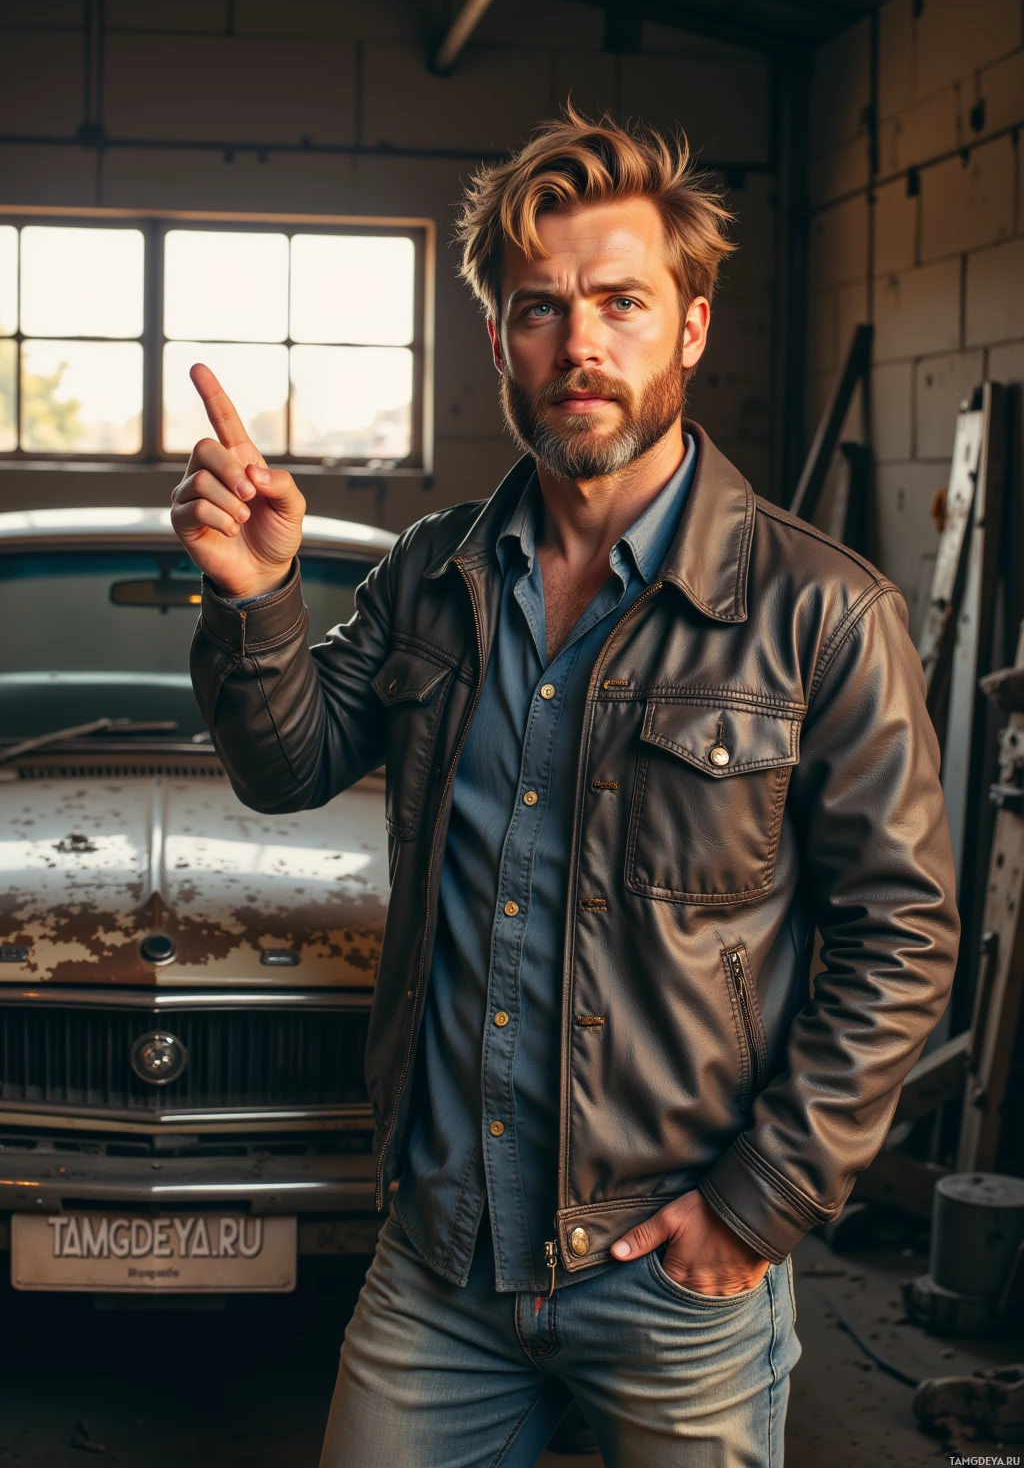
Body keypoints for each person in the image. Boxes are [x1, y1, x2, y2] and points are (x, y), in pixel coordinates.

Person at [171, 110, 959, 1468]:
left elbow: (902, 940)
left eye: (621, 302)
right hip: (439, 1264)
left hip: (674, 1282)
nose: (579, 343)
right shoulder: (433, 575)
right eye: (540, 309)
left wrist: (759, 1204)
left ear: (691, 328)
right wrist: (262, 599)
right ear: (499, 342)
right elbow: (287, 765)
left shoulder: (823, 614)